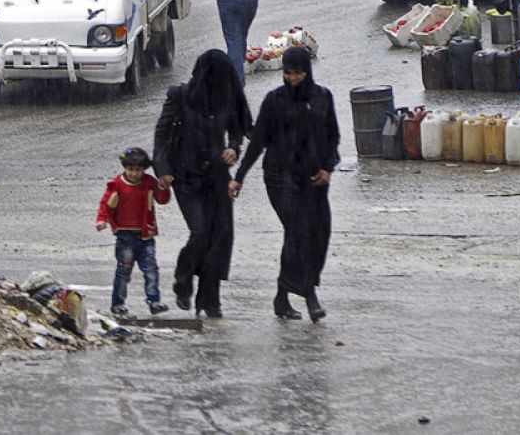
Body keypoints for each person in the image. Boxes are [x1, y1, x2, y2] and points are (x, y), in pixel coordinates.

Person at [230, 46, 340, 322]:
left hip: (313, 179)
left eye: (298, 73)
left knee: (318, 233)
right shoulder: (274, 101)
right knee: (298, 232)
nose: (292, 78)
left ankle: (282, 296)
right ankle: (310, 296)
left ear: (307, 71)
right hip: (281, 177)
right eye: (288, 73)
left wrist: (328, 167)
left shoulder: (322, 98)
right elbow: (258, 143)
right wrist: (239, 177)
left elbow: (332, 137)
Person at [154, 49, 251, 319]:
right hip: (185, 177)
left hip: (216, 176)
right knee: (200, 232)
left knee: (219, 238)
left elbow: (237, 129)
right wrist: (162, 169)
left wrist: (233, 148)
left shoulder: (225, 98)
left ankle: (210, 300)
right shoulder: (180, 96)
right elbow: (161, 134)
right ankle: (183, 276)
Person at [95, 146, 172, 317]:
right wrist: (102, 220)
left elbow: (162, 199)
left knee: (151, 269)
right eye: (130, 169)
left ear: (143, 170)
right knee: (123, 270)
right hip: (125, 235)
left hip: (146, 235)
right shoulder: (117, 184)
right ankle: (118, 303)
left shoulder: (149, 183)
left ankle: (154, 300)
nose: (134, 173)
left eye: (138, 170)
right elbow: (106, 204)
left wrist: (163, 186)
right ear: (125, 168)